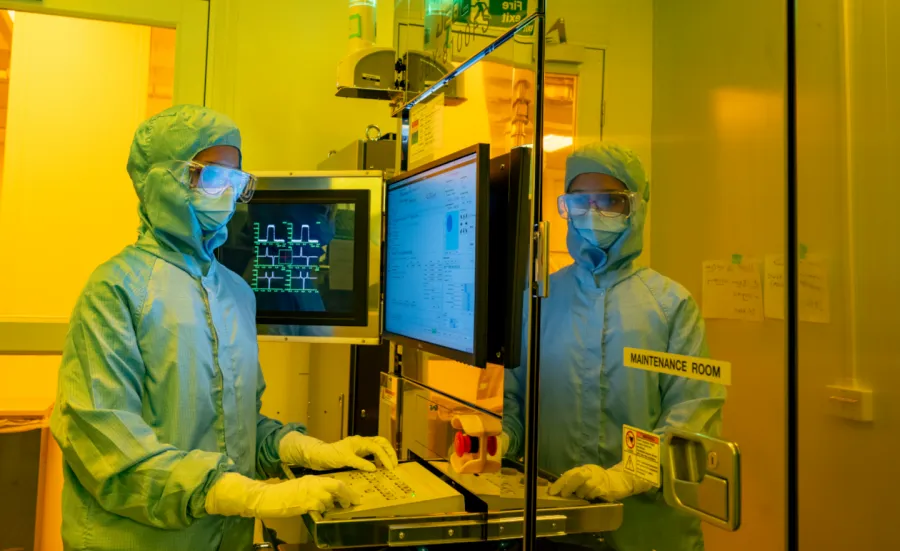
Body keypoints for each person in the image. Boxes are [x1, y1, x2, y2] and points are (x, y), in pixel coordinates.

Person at [50, 105, 397, 551]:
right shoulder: (115, 291)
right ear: (163, 180)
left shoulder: (234, 292)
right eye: (212, 176)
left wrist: (309, 450)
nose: (228, 194)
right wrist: (251, 495)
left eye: (235, 180)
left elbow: (237, 429)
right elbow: (109, 453)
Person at [502, 143, 726, 551]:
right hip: (555, 517)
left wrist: (626, 475)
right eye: (580, 200)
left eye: (608, 200)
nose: (593, 212)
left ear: (635, 206)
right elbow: (515, 402)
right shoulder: (540, 299)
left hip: (645, 529)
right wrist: (498, 439)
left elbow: (692, 422)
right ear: (565, 206)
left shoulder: (671, 305)